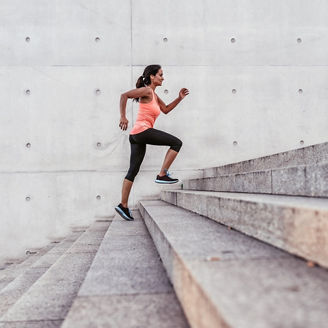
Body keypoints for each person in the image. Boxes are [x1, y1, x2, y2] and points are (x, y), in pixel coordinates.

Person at [115, 64, 189, 221]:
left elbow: (166, 109)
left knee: (133, 171)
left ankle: (123, 205)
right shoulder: (147, 90)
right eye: (160, 75)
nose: (163, 77)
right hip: (142, 132)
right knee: (176, 143)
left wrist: (179, 98)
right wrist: (123, 116)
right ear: (152, 77)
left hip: (135, 135)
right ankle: (162, 174)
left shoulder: (154, 95)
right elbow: (124, 96)